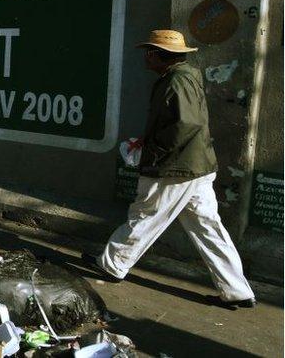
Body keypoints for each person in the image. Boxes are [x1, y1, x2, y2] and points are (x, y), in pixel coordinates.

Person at [83, 30, 255, 309]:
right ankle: (237, 290)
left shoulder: (176, 82)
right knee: (208, 228)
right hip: (196, 166)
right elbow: (180, 123)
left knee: (145, 214)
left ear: (157, 54)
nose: (145, 57)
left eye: (148, 52)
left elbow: (184, 126)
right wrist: (150, 140)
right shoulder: (183, 77)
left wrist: (153, 152)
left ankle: (113, 265)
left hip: (177, 168)